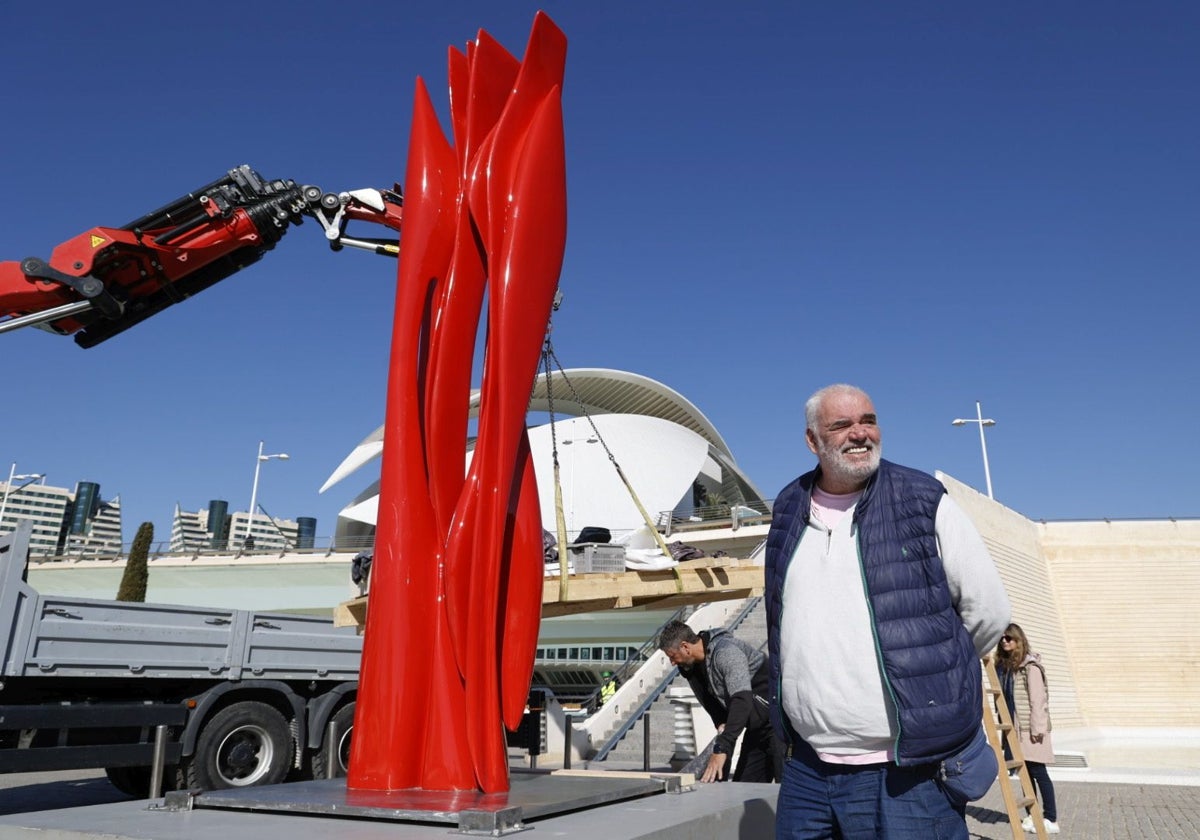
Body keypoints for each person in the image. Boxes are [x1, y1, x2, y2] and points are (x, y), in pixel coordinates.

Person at [765, 384, 1011, 839]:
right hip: (807, 770)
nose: (860, 434)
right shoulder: (787, 508)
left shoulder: (922, 499)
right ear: (812, 441)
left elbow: (988, 612)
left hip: (904, 774)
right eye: (841, 425)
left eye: (869, 420)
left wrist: (936, 675)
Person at [658, 619, 783, 783]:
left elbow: (742, 699)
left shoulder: (726, 652)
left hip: (780, 726)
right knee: (742, 791)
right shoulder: (691, 668)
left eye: (673, 656)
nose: (673, 662)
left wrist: (722, 746)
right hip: (756, 729)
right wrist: (721, 725)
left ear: (685, 647)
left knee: (788, 792)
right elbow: (710, 703)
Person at [995, 623, 1060, 835]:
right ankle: (1033, 814)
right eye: (1002, 638)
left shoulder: (1030, 668)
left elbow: (1037, 701)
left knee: (1039, 772)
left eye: (1009, 638)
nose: (1005, 641)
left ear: (1019, 640)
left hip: (1030, 730)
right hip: (1015, 730)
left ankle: (1050, 818)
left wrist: (1037, 730)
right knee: (1026, 774)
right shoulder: (1006, 668)